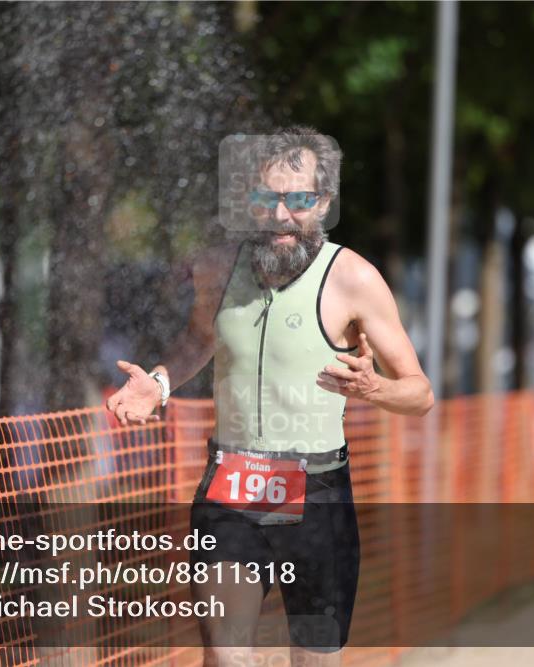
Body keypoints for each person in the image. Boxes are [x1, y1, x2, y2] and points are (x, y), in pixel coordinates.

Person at [106, 126, 433, 666]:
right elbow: (199, 338)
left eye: (299, 201)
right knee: (227, 657)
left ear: (324, 202)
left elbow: (419, 393)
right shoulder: (217, 269)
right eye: (266, 199)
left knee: (313, 659)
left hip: (318, 490)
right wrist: (160, 383)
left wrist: (374, 388)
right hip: (232, 487)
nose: (282, 217)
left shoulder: (353, 278)